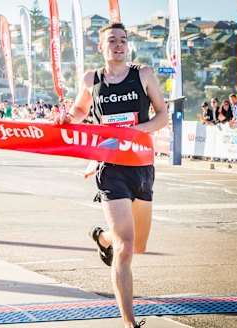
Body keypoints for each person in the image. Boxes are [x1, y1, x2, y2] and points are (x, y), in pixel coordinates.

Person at [54, 22, 167, 328]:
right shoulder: (92, 78)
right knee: (126, 248)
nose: (119, 44)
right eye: (112, 41)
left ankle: (102, 238)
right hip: (111, 167)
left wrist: (136, 131)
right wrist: (68, 118)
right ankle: (129, 323)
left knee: (136, 245)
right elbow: (79, 110)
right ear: (101, 47)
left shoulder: (142, 74)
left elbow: (162, 115)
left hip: (142, 167)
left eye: (123, 40)